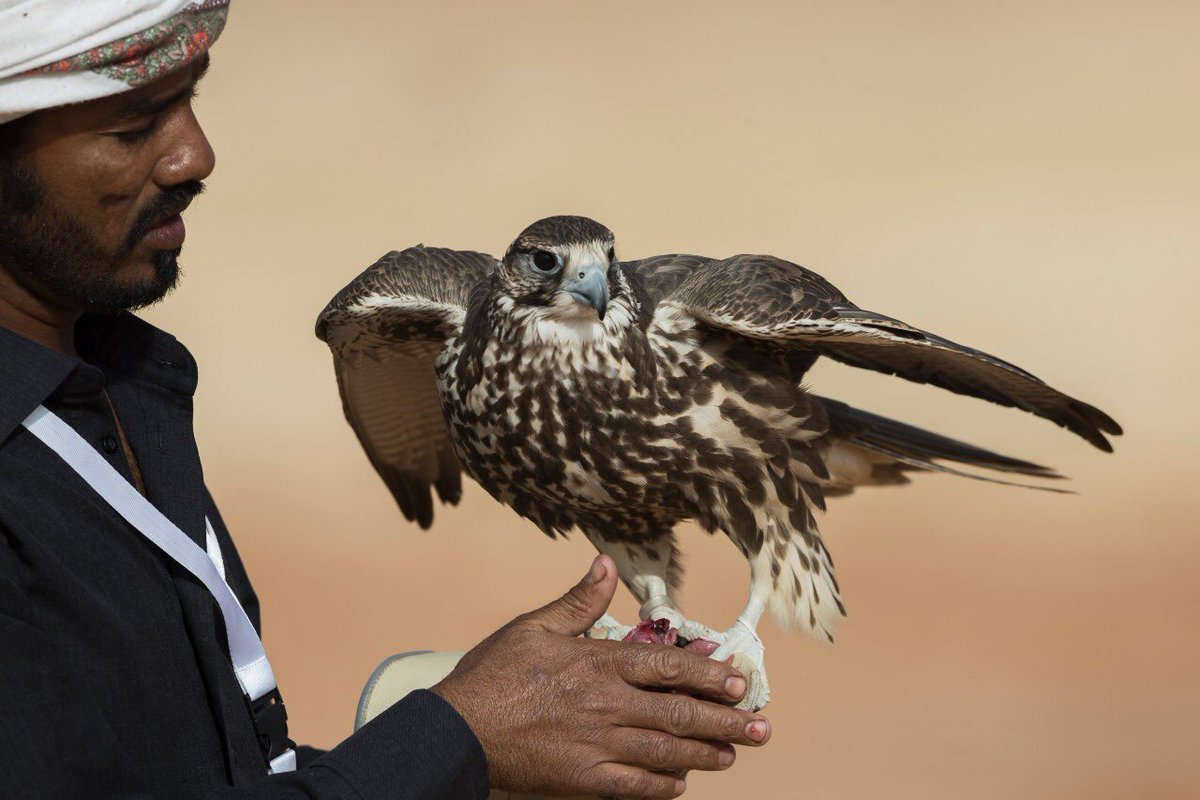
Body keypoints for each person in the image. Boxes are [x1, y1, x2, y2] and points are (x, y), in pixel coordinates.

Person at [0, 3, 772, 798]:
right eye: (133, 129)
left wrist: (480, 748)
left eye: (193, 98)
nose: (195, 155)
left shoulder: (121, 381)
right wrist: (459, 735)